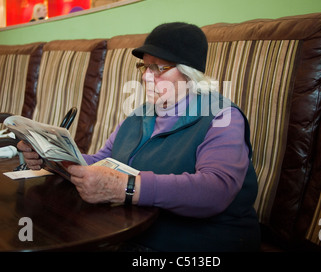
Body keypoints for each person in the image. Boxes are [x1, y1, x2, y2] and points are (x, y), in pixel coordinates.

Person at [18, 22, 261, 252]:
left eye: (159, 68)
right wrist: (51, 157)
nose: (146, 76)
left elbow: (215, 190)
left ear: (190, 75)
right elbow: (102, 161)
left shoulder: (222, 117)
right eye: (145, 66)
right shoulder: (139, 114)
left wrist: (125, 187)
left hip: (198, 245)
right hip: (130, 235)